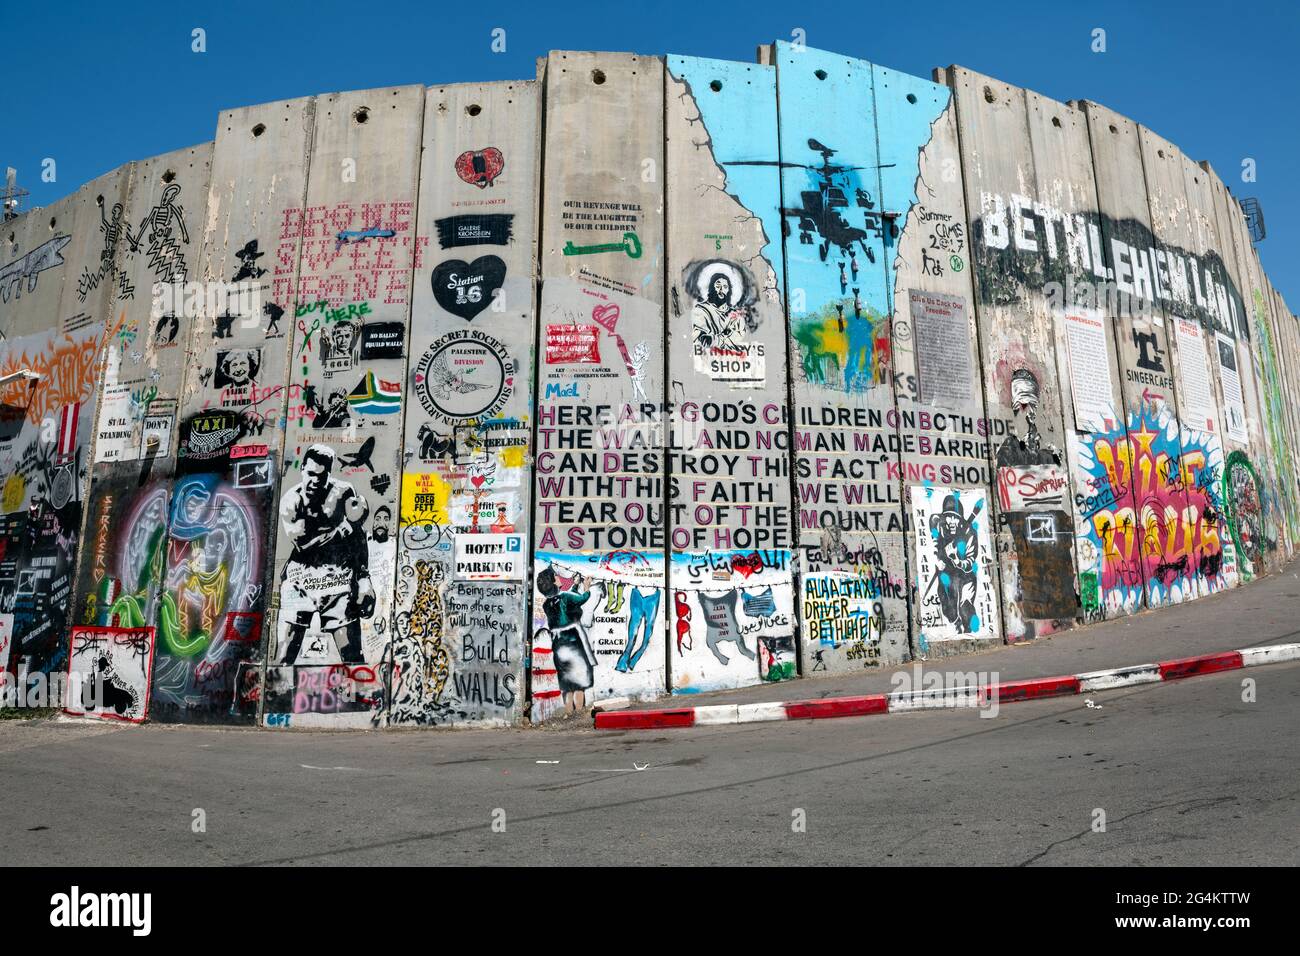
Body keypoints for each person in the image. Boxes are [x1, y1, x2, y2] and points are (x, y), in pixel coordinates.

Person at [278, 444, 374, 664]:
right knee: (284, 656)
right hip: (300, 577)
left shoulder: (344, 492)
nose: (314, 481)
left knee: (353, 657)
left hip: (338, 575)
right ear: (302, 468)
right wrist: (342, 530)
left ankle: (359, 695)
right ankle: (276, 692)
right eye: (310, 474)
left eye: (320, 476)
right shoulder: (291, 501)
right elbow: (303, 544)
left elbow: (358, 536)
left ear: (329, 474)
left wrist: (364, 578)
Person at [536, 565, 596, 714]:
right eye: (556, 577)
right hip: (573, 643)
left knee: (566, 684)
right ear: (553, 582)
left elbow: (569, 603)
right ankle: (580, 716)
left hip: (558, 645)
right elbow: (581, 599)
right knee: (579, 683)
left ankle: (569, 715)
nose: (559, 578)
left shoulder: (547, 603)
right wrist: (586, 587)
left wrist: (576, 585)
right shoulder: (564, 597)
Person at [928, 493, 980, 633]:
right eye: (948, 517)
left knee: (965, 607)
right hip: (947, 574)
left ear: (960, 519)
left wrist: (955, 559)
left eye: (955, 518)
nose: (951, 521)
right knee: (947, 605)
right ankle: (956, 623)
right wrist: (937, 559)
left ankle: (970, 631)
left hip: (966, 576)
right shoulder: (940, 526)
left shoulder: (969, 534)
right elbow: (935, 541)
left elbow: (969, 564)